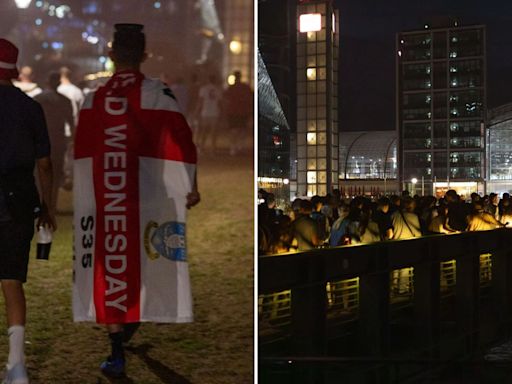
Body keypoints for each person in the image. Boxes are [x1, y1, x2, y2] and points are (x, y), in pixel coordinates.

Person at [73, 24, 200, 378]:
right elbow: (183, 141)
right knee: (143, 258)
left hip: (106, 197)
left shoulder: (93, 98)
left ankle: (116, 350)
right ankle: (132, 320)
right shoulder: (159, 93)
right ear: (144, 56)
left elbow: (81, 152)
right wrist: (190, 184)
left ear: (112, 55)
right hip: (149, 196)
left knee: (109, 262)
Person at [0, 38, 56, 384]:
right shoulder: (30, 108)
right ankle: (16, 364)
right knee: (11, 282)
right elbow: (45, 164)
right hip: (19, 201)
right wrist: (47, 206)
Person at [34, 72, 74, 213]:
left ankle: (41, 203)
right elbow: (71, 122)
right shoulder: (64, 100)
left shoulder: (38, 99)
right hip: (57, 141)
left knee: (39, 173)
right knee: (55, 174)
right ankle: (52, 204)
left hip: (39, 141)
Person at [223, 70, 252, 155]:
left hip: (232, 111)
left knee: (233, 130)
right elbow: (250, 100)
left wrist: (225, 111)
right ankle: (240, 146)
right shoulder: (246, 87)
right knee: (242, 130)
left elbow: (226, 100)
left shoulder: (230, 88)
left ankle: (233, 147)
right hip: (243, 112)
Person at [196, 74, 222, 152]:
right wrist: (222, 112)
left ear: (208, 80)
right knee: (213, 132)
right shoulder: (218, 89)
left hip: (205, 112)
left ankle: (201, 147)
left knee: (204, 131)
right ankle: (213, 148)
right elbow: (220, 103)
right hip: (215, 112)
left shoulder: (203, 89)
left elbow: (200, 101)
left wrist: (197, 111)